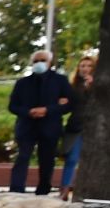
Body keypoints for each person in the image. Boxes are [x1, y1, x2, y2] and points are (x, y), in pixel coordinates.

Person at [6, 49, 74, 195]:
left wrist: (47, 110)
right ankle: (16, 189)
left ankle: (43, 189)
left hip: (50, 126)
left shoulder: (60, 81)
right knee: (23, 157)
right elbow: (13, 106)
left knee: (47, 159)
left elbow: (68, 104)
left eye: (42, 60)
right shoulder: (22, 83)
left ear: (50, 63)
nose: (39, 63)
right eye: (36, 61)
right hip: (27, 126)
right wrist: (29, 112)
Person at [60, 54, 94, 200]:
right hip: (76, 126)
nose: (85, 69)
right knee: (72, 158)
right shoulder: (73, 87)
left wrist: (92, 87)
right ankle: (65, 189)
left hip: (94, 127)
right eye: (82, 66)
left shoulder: (99, 84)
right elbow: (69, 107)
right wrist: (61, 103)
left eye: (88, 66)